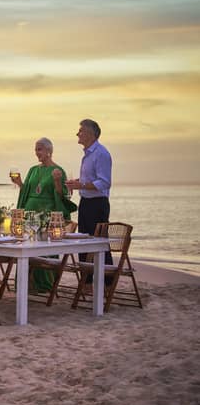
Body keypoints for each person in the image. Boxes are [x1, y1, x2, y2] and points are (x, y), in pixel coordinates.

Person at [10, 137, 76, 292]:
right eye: (35, 149)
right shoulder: (33, 170)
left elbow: (62, 195)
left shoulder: (58, 170)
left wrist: (58, 181)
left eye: (39, 149)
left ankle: (44, 285)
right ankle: (26, 284)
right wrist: (19, 183)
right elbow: (27, 191)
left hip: (46, 217)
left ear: (49, 151)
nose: (36, 152)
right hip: (29, 216)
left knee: (43, 249)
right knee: (25, 248)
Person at [65, 119, 113, 288]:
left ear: (91, 134)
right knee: (83, 242)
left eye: (80, 131)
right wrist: (76, 183)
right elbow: (89, 180)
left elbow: (104, 182)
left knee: (99, 244)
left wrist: (82, 185)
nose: (77, 134)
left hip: (97, 204)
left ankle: (107, 284)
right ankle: (85, 283)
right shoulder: (87, 155)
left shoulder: (101, 153)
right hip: (85, 202)